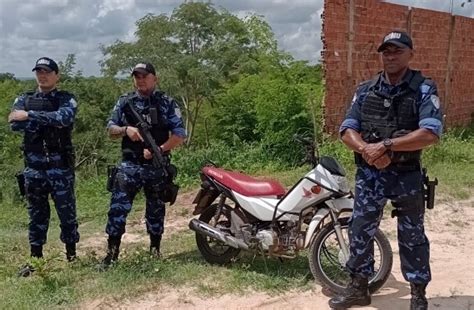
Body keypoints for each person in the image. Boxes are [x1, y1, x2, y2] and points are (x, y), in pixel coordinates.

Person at [329, 31, 443, 310]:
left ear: (410, 54)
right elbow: (346, 129)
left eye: (397, 51)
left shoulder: (423, 89)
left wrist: (387, 146)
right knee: (360, 230)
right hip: (371, 175)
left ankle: (417, 294)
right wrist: (367, 150)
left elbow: (430, 132)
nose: (390, 56)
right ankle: (358, 287)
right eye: (386, 51)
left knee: (412, 235)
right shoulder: (366, 90)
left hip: (406, 175)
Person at [101, 62, 186, 267]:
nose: (140, 80)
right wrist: (125, 130)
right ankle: (111, 255)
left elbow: (180, 135)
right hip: (129, 166)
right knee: (117, 210)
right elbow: (110, 128)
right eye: (137, 77)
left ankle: (154, 251)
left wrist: (160, 149)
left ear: (154, 79)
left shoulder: (166, 102)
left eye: (145, 76)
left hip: (156, 166)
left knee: (156, 210)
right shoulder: (125, 102)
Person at [8, 57, 80, 276]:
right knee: (36, 215)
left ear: (56, 75)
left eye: (47, 71)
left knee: (66, 213)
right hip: (34, 169)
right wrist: (42, 118)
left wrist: (30, 115)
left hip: (60, 167)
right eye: (39, 71)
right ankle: (35, 259)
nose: (42, 75)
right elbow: (14, 124)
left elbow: (63, 118)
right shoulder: (24, 98)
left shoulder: (66, 98)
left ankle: (72, 255)